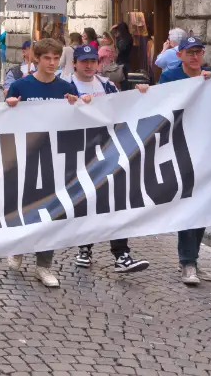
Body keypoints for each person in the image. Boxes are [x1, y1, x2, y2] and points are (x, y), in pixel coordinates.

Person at [155, 36, 211, 285]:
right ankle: (187, 262)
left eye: (199, 52)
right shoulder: (170, 77)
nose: (195, 57)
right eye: (190, 52)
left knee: (205, 204)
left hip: (210, 148)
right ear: (179, 55)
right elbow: (158, 107)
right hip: (181, 148)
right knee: (189, 203)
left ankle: (194, 259)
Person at [60, 45, 150, 273]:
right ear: (75, 63)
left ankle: (122, 254)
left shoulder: (108, 85)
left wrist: (141, 94)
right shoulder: (65, 86)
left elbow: (124, 107)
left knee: (118, 200)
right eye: (84, 61)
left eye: (93, 61)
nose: (89, 65)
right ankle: (84, 248)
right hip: (81, 153)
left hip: (110, 150)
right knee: (89, 200)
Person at [4, 38, 80, 288]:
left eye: (55, 58)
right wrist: (9, 106)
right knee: (25, 206)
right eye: (46, 58)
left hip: (54, 158)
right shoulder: (21, 86)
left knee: (51, 210)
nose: (51, 62)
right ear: (36, 58)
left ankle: (44, 265)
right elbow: (4, 120)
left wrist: (79, 105)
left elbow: (81, 120)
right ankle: (19, 246)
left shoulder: (65, 88)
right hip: (25, 156)